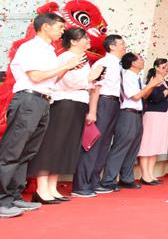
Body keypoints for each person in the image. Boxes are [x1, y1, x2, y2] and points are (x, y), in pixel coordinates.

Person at [0, 13, 85, 218]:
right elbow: (35, 76)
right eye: (59, 27)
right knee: (12, 151)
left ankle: (14, 195)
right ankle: (2, 199)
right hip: (28, 100)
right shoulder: (31, 47)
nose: (62, 31)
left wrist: (67, 69)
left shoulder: (49, 51)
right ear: (45, 26)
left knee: (27, 152)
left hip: (43, 101)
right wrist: (65, 65)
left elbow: (50, 80)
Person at [28, 28, 103, 204]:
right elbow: (68, 82)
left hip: (79, 103)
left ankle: (52, 187)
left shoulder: (83, 59)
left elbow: (87, 85)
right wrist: (90, 79)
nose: (88, 40)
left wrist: (92, 80)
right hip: (64, 103)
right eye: (84, 38)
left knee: (65, 146)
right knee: (53, 145)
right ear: (73, 41)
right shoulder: (65, 58)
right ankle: (41, 188)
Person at [72, 34, 126, 197]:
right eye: (122, 44)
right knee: (93, 143)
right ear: (112, 46)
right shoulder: (104, 63)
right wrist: (92, 111)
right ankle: (81, 185)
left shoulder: (119, 65)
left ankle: (94, 182)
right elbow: (95, 87)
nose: (124, 47)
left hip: (114, 103)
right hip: (103, 102)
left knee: (104, 144)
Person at [101, 53, 163, 190]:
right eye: (140, 58)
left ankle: (126, 178)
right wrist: (151, 84)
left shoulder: (136, 77)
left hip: (138, 114)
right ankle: (108, 180)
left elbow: (144, 96)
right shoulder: (127, 75)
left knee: (133, 148)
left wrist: (152, 85)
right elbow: (135, 96)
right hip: (127, 114)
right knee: (121, 147)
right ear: (133, 63)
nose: (143, 60)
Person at [138, 58, 168, 185]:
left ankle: (151, 174)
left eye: (167, 67)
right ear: (156, 68)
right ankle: (145, 175)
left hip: (163, 115)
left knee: (155, 145)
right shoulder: (152, 80)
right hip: (152, 115)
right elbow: (154, 98)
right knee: (147, 145)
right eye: (164, 67)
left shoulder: (166, 82)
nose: (166, 69)